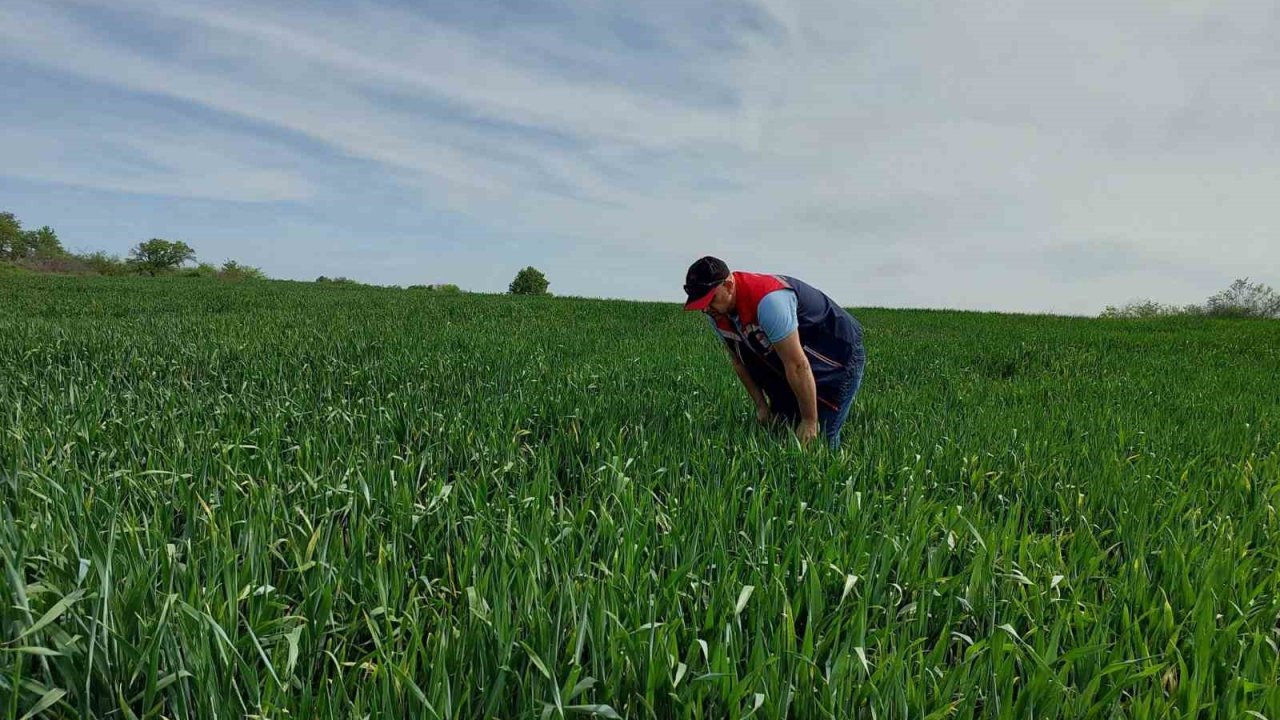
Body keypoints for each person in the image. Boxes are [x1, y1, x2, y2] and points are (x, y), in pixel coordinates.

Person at [683, 256, 865, 448]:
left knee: (819, 441)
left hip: (836, 354)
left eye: (710, 300)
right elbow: (739, 361)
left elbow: (797, 365)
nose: (706, 309)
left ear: (728, 286)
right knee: (782, 429)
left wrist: (810, 421)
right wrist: (761, 406)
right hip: (791, 360)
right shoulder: (717, 314)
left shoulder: (769, 302)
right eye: (701, 304)